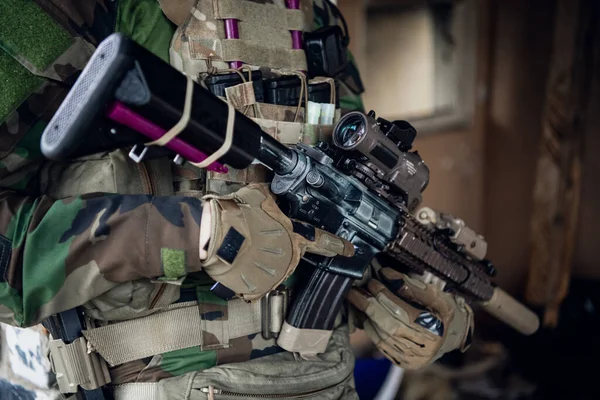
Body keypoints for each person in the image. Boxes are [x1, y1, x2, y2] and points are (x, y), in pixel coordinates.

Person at [0, 0, 473, 398]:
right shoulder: (57, 12)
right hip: (148, 378)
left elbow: (349, 196)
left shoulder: (311, 14)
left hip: (325, 380)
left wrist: (395, 296)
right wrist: (194, 232)